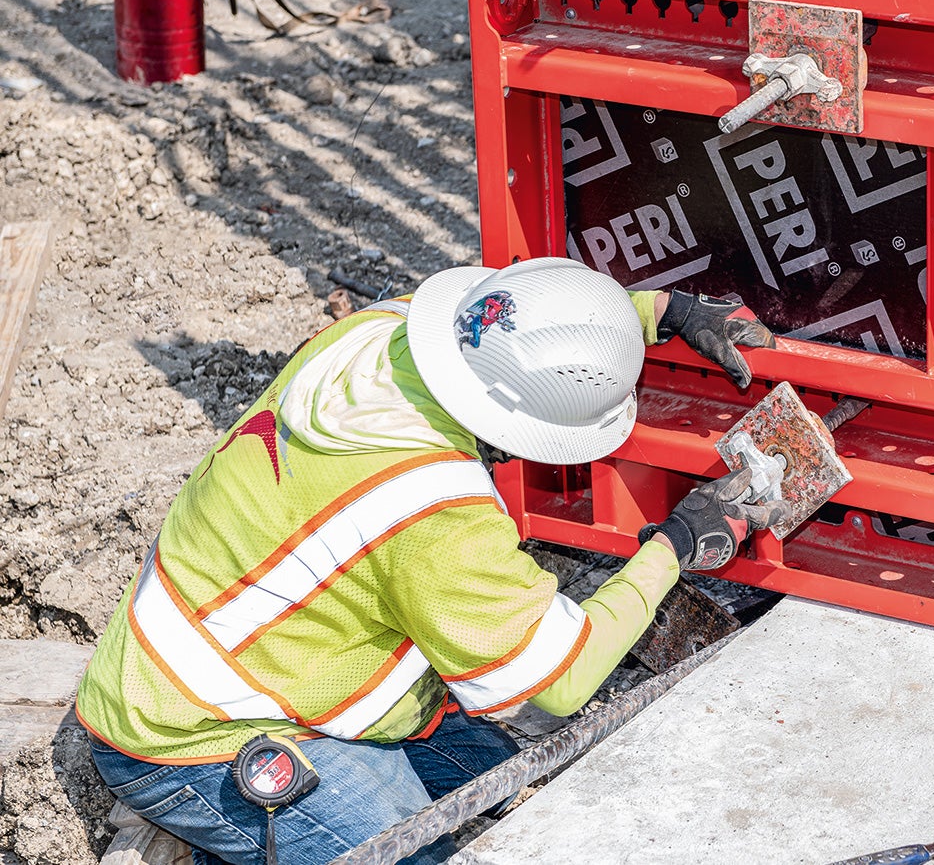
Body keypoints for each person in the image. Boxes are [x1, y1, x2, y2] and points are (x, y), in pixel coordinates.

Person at [75, 258, 788, 865]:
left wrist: (659, 313)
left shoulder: (379, 334)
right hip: (190, 732)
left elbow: (517, 331)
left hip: (244, 658)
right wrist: (677, 545)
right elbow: (561, 678)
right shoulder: (433, 511)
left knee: (519, 779)